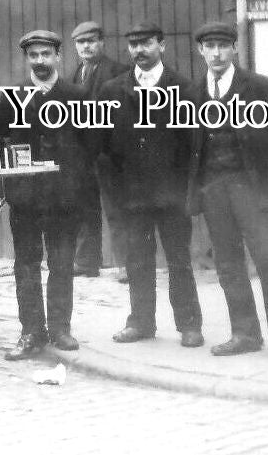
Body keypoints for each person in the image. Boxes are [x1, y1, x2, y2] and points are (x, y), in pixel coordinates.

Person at [187, 21, 268, 365]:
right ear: (201, 51)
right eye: (210, 46)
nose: (217, 53)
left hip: (255, 191)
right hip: (214, 190)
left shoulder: (263, 88)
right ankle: (245, 333)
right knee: (229, 263)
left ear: (234, 49)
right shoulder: (192, 94)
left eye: (223, 45)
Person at [97, 22, 202, 348]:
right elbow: (101, 149)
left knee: (179, 260)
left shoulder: (184, 89)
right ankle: (141, 322)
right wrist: (114, 193)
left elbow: (193, 147)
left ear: (162, 45)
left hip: (171, 196)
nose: (139, 50)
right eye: (133, 44)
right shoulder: (113, 91)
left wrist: (186, 192)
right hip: (132, 197)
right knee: (138, 261)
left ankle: (189, 325)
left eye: (145, 43)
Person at [0, 30, 95, 360]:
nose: (39, 60)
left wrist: (80, 188)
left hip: (64, 197)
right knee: (26, 264)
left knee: (62, 262)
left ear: (58, 56)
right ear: (27, 59)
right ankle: (30, 332)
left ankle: (60, 328)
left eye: (45, 54)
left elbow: (90, 148)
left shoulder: (78, 96)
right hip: (25, 196)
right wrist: (1, 191)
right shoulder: (13, 98)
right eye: (33, 55)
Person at [69, 21, 130, 279]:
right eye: (81, 42)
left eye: (91, 41)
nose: (86, 46)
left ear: (102, 43)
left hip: (111, 153)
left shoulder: (120, 71)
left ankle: (127, 265)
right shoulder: (75, 74)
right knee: (84, 208)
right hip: (84, 154)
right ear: (75, 46)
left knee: (118, 209)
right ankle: (86, 262)